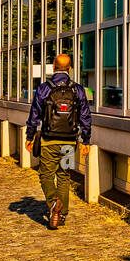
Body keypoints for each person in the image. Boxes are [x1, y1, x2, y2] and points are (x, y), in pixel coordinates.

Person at [25, 54, 92, 230]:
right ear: (70, 68)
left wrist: (29, 137)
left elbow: (34, 115)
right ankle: (61, 215)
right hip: (69, 143)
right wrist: (85, 140)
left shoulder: (44, 88)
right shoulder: (78, 90)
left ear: (53, 66)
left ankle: (53, 202)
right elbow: (85, 116)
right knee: (64, 175)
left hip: (48, 141)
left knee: (46, 175)